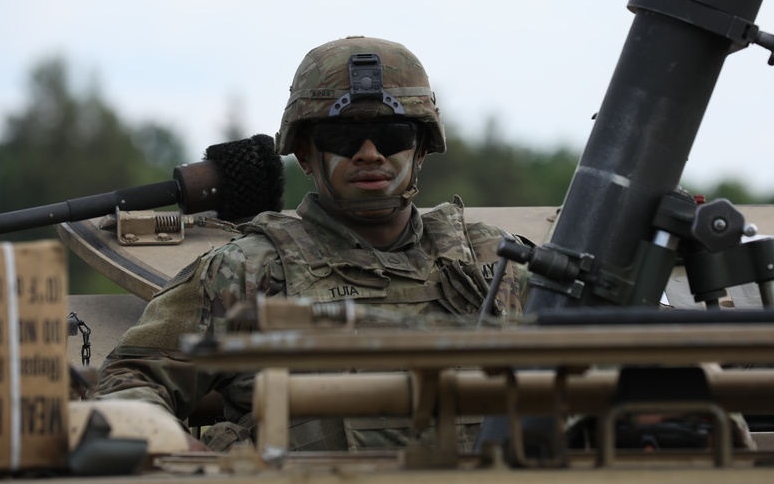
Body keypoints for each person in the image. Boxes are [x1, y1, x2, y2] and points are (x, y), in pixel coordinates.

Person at [96, 36, 531, 452]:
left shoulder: (491, 262)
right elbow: (126, 380)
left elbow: (585, 367)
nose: (369, 153)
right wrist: (191, 459)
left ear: (420, 149)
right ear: (305, 154)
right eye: (342, 138)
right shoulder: (248, 271)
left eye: (392, 135)